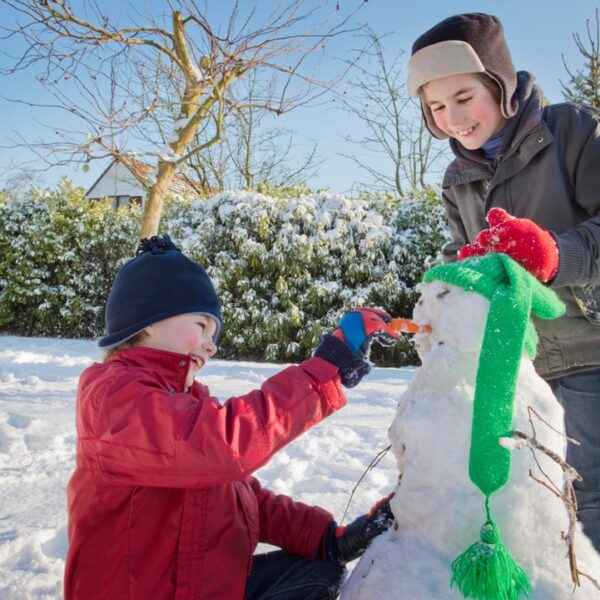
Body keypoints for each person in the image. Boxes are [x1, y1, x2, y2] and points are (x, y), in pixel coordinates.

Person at [64, 235, 398, 600]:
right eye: (201, 325)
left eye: (214, 332)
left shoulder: (184, 402)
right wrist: (326, 368)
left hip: (197, 587)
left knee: (317, 573)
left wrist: (330, 539)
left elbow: (240, 500)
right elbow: (220, 446)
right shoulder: (114, 397)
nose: (212, 344)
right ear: (147, 321)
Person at [407, 12, 600, 553]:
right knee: (532, 497)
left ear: (501, 83)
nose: (453, 118)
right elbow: (457, 252)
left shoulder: (574, 133)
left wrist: (556, 253)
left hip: (591, 347)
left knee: (591, 494)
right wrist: (441, 302)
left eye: (464, 97)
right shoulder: (458, 178)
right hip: (517, 362)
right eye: (436, 107)